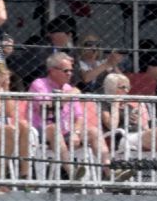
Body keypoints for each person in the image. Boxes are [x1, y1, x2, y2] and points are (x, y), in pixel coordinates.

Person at [29, 51, 109, 180]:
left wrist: (76, 132)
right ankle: (72, 172)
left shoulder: (68, 88)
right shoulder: (39, 84)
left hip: (66, 132)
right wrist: (69, 95)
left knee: (94, 131)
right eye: (66, 71)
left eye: (71, 71)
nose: (70, 74)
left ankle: (110, 171)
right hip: (42, 132)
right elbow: (47, 107)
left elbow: (79, 116)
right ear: (52, 70)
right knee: (53, 128)